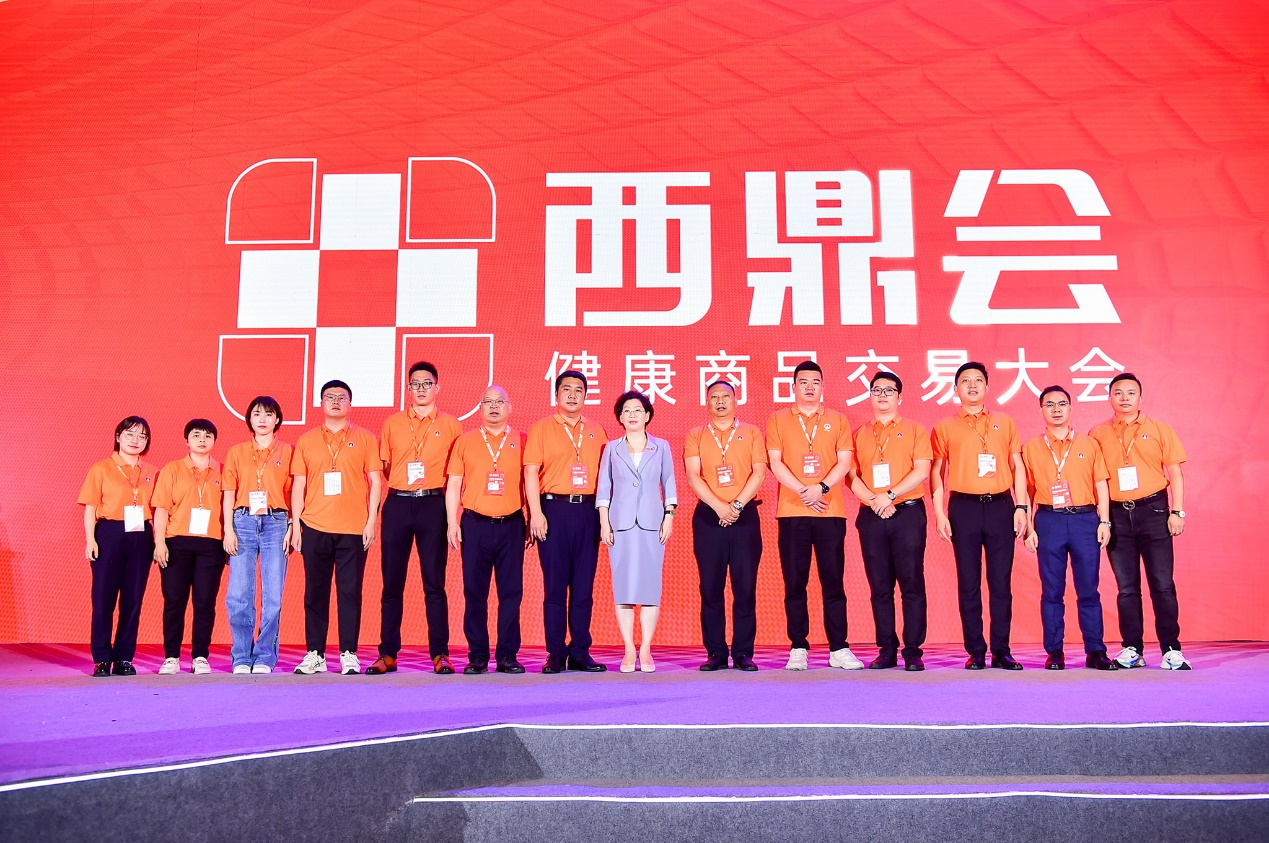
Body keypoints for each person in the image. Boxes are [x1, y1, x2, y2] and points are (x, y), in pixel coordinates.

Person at [765, 360, 863, 671]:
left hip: (830, 511)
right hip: (792, 511)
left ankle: (839, 647)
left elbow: (844, 461)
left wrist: (820, 488)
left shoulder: (838, 419)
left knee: (833, 582)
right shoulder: (778, 419)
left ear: (823, 387)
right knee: (795, 582)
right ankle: (798, 646)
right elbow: (775, 462)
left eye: (815, 382)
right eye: (803, 382)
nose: (809, 387)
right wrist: (803, 491)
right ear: (793, 387)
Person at [1089, 372, 1191, 670]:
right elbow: (1096, 479)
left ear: (1140, 398)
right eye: (1118, 393)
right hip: (1117, 515)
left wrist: (1177, 512)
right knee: (1126, 588)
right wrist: (1103, 519)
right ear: (1109, 397)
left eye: (1130, 393)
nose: (1124, 398)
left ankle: (1171, 649)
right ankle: (1132, 648)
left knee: (1162, 584)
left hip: (1154, 512)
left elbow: (1175, 473)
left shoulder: (1160, 429)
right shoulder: (1098, 433)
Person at [931, 362, 1029, 670]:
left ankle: (1002, 651)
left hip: (1001, 507)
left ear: (987, 386)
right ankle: (975, 651)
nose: (972, 385)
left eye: (978, 380)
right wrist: (939, 513)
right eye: (965, 381)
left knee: (1001, 583)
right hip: (964, 509)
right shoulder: (944, 426)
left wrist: (1022, 507)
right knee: (969, 583)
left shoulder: (1005, 422)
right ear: (955, 389)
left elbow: (1017, 466)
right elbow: (937, 472)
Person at [371, 361, 463, 675]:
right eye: (415, 384)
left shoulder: (451, 426)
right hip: (397, 503)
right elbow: (385, 466)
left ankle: (441, 654)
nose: (421, 389)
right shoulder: (392, 423)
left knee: (434, 584)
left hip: (433, 505)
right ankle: (387, 654)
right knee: (391, 584)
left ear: (437, 387)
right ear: (408, 388)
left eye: (427, 383)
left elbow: (456, 474)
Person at [290, 380, 383, 675]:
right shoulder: (306, 441)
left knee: (349, 593)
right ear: (321, 403)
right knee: (315, 593)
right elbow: (298, 485)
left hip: (353, 528)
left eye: (341, 397)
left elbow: (376, 482)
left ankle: (348, 653)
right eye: (329, 397)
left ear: (350, 404)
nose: (335, 402)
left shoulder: (365, 438)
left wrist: (371, 521)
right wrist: (296, 524)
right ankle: (315, 653)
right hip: (314, 525)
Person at [1021, 386, 1117, 671]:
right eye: (1050, 404)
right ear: (1041, 410)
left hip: (1085, 521)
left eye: (1062, 404)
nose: (1056, 409)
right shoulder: (1030, 447)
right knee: (1052, 590)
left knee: (1089, 589)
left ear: (1071, 408)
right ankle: (1055, 651)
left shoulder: (1089, 444)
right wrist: (1028, 528)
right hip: (1048, 520)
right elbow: (1026, 490)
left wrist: (1104, 521)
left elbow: (1101, 484)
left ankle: (1095, 650)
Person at [524, 370, 609, 674]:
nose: (573, 395)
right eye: (566, 389)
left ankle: (580, 652)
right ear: (556, 395)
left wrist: (605, 517)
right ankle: (556, 653)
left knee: (584, 588)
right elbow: (530, 472)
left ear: (586, 395)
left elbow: (607, 478)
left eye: (578, 390)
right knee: (555, 588)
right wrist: (535, 513)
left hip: (588, 512)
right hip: (554, 511)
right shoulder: (541, 428)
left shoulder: (597, 430)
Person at [847, 372, 932, 672]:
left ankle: (913, 650)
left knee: (912, 583)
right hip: (872, 514)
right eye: (876, 390)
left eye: (889, 390)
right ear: (870, 395)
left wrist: (890, 495)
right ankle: (886, 649)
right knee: (880, 586)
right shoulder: (858, 434)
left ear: (900, 397)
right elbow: (851, 476)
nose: (882, 395)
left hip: (907, 513)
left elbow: (921, 470)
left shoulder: (915, 430)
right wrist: (875, 500)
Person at [445, 386, 530, 675]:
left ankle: (507, 655)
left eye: (500, 401)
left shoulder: (523, 440)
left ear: (510, 407)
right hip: (475, 524)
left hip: (512, 524)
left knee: (511, 593)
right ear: (480, 408)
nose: (494, 407)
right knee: (474, 592)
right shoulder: (465, 441)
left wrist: (532, 517)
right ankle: (478, 656)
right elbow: (454, 484)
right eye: (488, 402)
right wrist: (452, 522)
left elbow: (532, 482)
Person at [683, 380, 766, 672]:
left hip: (745, 518)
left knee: (745, 588)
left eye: (725, 396)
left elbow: (758, 473)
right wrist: (720, 507)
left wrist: (737, 506)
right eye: (714, 397)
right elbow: (693, 476)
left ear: (735, 400)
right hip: (709, 518)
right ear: (707, 402)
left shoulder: (751, 432)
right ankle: (716, 653)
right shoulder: (696, 435)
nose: (720, 401)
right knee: (710, 588)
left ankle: (743, 653)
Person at [597, 391, 678, 673]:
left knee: (650, 588)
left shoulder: (661, 447)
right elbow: (604, 487)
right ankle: (629, 648)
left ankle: (646, 649)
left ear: (647, 415)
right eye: (627, 411)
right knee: (624, 589)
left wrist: (669, 517)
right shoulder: (611, 448)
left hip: (652, 525)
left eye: (638, 410)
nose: (632, 415)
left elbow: (669, 482)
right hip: (620, 525)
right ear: (620, 417)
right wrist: (604, 522)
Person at [78, 416, 158, 677]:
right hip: (109, 533)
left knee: (133, 599)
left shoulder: (152, 472)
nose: (136, 440)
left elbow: (159, 510)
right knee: (103, 598)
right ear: (118, 437)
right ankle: (101, 658)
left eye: (142, 436)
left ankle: (124, 657)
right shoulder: (101, 468)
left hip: (141, 535)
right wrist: (90, 539)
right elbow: (90, 508)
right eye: (130, 434)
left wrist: (159, 541)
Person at [222, 395, 293, 674]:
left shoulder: (289, 451)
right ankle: (241, 655)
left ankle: (264, 655)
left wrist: (292, 526)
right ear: (249, 419)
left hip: (276, 521)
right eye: (257, 414)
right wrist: (228, 529)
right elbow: (229, 492)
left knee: (273, 595)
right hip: (242, 521)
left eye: (268, 414)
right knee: (239, 593)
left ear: (277, 419)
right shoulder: (237, 452)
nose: (262, 419)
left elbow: (294, 492)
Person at [152, 419, 227, 675]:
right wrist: (159, 542)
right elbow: (161, 508)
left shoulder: (223, 471)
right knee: (174, 601)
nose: (202, 440)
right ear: (186, 441)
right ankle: (171, 656)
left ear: (214, 441)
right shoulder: (171, 469)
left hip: (211, 544)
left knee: (205, 602)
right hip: (177, 543)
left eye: (207, 436)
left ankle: (200, 656)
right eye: (196, 435)